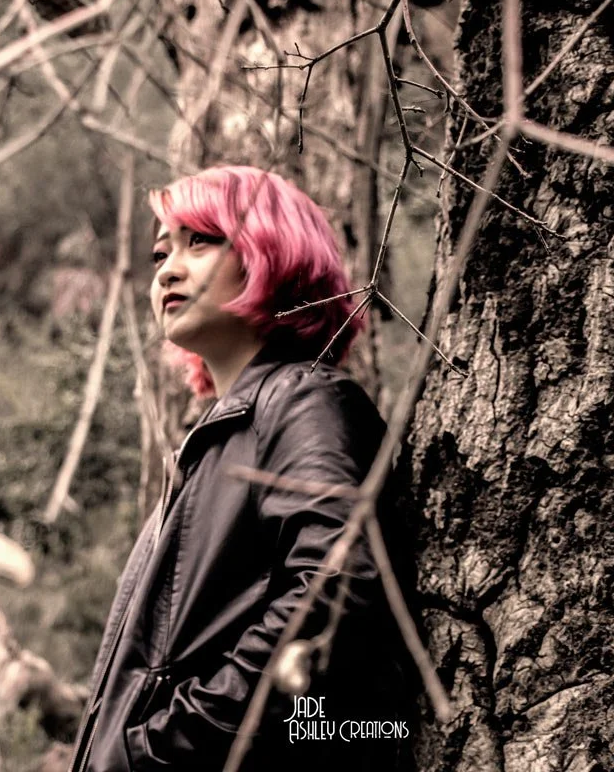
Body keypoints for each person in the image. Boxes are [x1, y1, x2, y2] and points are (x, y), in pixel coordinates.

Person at [68, 166, 415, 772]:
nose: (168, 269)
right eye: (160, 252)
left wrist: (158, 748)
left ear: (269, 253)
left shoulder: (304, 399)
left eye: (199, 241)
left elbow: (337, 591)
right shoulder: (218, 440)